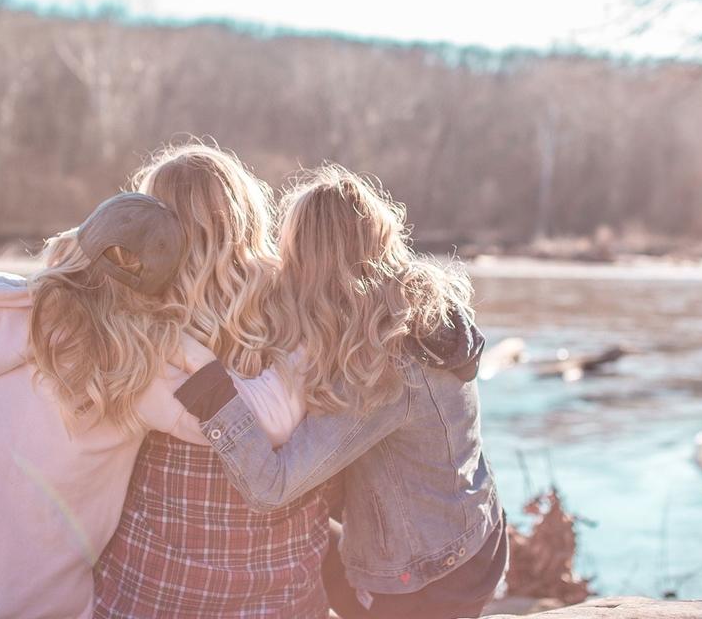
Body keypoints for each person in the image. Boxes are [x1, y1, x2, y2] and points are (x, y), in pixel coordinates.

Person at [0, 193, 292, 618]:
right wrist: (208, 356)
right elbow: (264, 423)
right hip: (19, 609)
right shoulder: (141, 367)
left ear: (77, 246)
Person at [175, 165, 507, 619]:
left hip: (428, 581)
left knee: (293, 544)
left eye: (289, 254)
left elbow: (272, 486)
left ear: (312, 267)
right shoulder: (416, 308)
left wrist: (210, 387)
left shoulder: (386, 366)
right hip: (474, 534)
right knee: (309, 537)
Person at [94, 145, 329, 618]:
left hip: (153, 592)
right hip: (282, 593)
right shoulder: (303, 306)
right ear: (246, 215)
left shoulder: (135, 316)